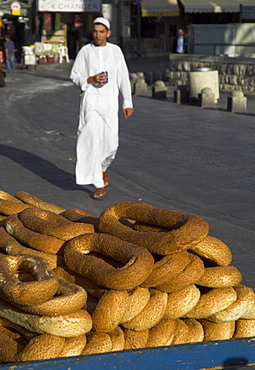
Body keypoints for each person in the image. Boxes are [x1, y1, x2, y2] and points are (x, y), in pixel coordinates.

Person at [70, 17, 134, 199]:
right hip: (90, 102)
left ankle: (102, 168)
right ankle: (98, 184)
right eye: (95, 31)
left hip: (109, 103)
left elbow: (123, 77)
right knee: (90, 141)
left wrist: (127, 102)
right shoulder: (85, 51)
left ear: (108, 33)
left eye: (101, 32)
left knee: (111, 143)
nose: (97, 35)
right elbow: (75, 76)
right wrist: (90, 79)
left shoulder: (115, 51)